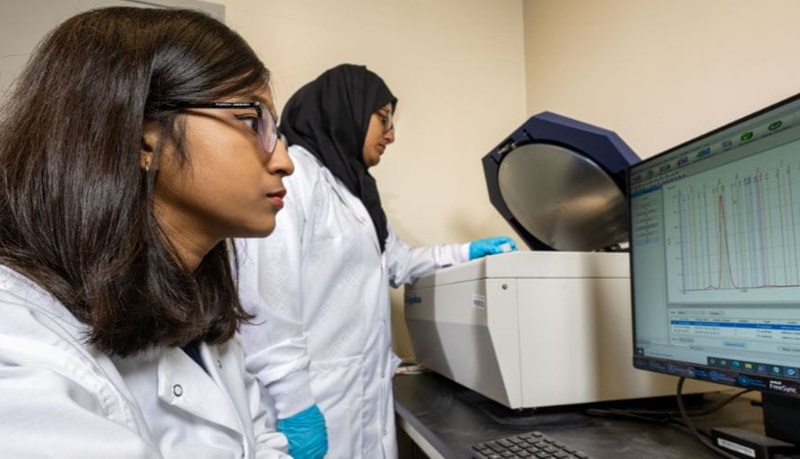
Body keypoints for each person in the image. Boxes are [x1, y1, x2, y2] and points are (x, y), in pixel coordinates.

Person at [0, 7, 295, 458]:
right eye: (253, 121)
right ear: (143, 137)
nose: (283, 161)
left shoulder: (192, 308)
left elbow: (257, 441)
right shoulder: (18, 345)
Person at [236, 63, 516, 458]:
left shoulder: (356, 192)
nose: (391, 134)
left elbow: (396, 261)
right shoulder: (295, 180)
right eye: (383, 118)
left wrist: (465, 252)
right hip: (309, 400)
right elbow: (266, 305)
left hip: (361, 393)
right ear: (346, 109)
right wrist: (295, 410)